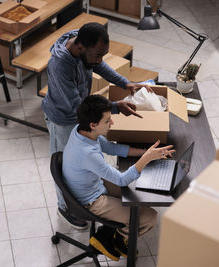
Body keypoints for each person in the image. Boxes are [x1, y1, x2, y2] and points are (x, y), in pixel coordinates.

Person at [42, 22, 151, 229]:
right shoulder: (60, 66)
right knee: (63, 168)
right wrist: (115, 107)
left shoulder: (82, 42)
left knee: (79, 164)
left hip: (82, 111)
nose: (100, 59)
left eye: (103, 54)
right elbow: (78, 106)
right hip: (63, 118)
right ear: (81, 47)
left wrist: (124, 83)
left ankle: (87, 193)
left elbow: (97, 64)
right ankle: (66, 207)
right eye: (98, 54)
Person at [62, 95, 175, 261]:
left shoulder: (81, 130)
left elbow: (109, 147)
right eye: (108, 121)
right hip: (91, 201)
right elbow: (122, 180)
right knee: (149, 218)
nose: (112, 123)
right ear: (93, 125)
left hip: (93, 184)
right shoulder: (87, 154)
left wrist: (145, 153)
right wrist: (146, 159)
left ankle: (115, 232)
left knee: (139, 189)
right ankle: (115, 237)